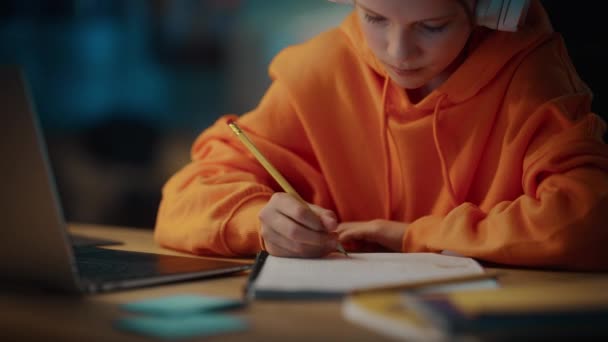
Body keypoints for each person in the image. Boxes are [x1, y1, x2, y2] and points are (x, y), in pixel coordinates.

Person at [154, 0, 608, 270]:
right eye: (374, 17)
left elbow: (591, 217)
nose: (398, 52)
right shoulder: (322, 69)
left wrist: (414, 236)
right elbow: (186, 198)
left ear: (490, 7)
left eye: (432, 26)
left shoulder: (531, 77)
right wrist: (258, 223)